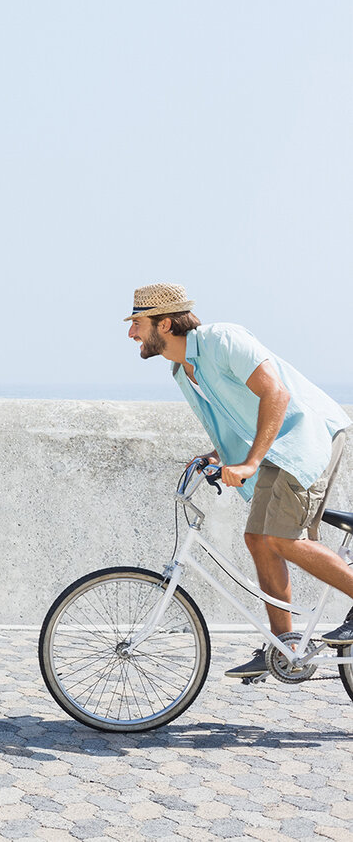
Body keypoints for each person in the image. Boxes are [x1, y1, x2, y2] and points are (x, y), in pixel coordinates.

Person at [126, 283, 353, 678]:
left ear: (164, 324)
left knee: (284, 538)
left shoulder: (222, 340)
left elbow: (276, 395)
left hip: (307, 436)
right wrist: (218, 455)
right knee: (257, 538)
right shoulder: (183, 370)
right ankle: (283, 648)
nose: (131, 334)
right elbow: (232, 420)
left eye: (137, 324)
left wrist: (250, 463)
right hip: (274, 448)